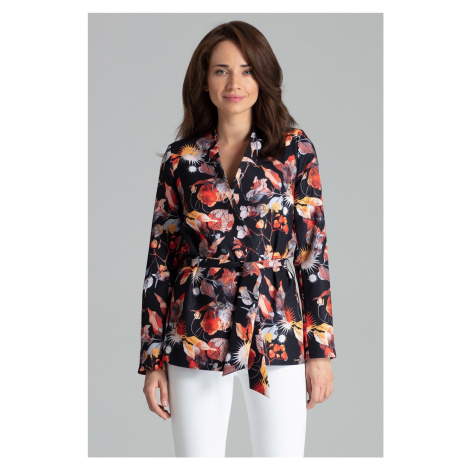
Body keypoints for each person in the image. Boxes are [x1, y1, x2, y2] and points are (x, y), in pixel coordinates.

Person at [138, 20, 336, 457]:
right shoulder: (181, 160)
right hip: (196, 327)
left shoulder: (294, 149)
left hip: (276, 323)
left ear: (262, 78)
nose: (234, 83)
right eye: (221, 70)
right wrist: (152, 361)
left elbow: (312, 254)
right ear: (204, 81)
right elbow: (160, 263)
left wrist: (320, 351)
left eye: (247, 70)